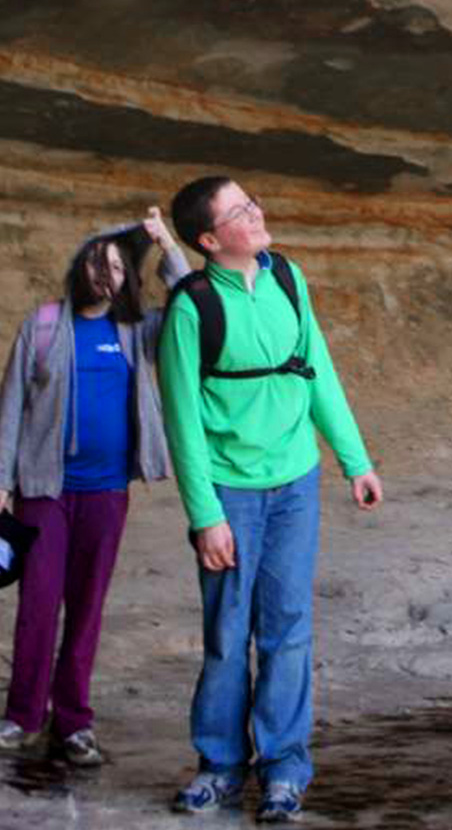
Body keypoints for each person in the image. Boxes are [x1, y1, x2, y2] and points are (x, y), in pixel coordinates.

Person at [159, 175, 381, 825]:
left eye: (252, 204)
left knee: (288, 630)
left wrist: (355, 460)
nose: (256, 216)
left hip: (295, 482)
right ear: (208, 238)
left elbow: (318, 369)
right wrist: (207, 517)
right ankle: (220, 768)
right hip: (231, 490)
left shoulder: (287, 276)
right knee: (229, 635)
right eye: (239, 212)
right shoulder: (192, 307)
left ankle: (284, 769)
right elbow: (182, 422)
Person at [0, 210, 193, 766]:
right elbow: (11, 405)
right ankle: (22, 715)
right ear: (80, 266)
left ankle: (73, 722)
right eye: (99, 261)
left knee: (87, 606)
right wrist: (0, 477)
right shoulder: (45, 325)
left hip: (106, 491)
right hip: (43, 489)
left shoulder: (138, 332)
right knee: (39, 604)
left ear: (127, 279)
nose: (107, 274)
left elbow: (189, 298)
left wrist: (165, 241)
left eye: (119, 267)